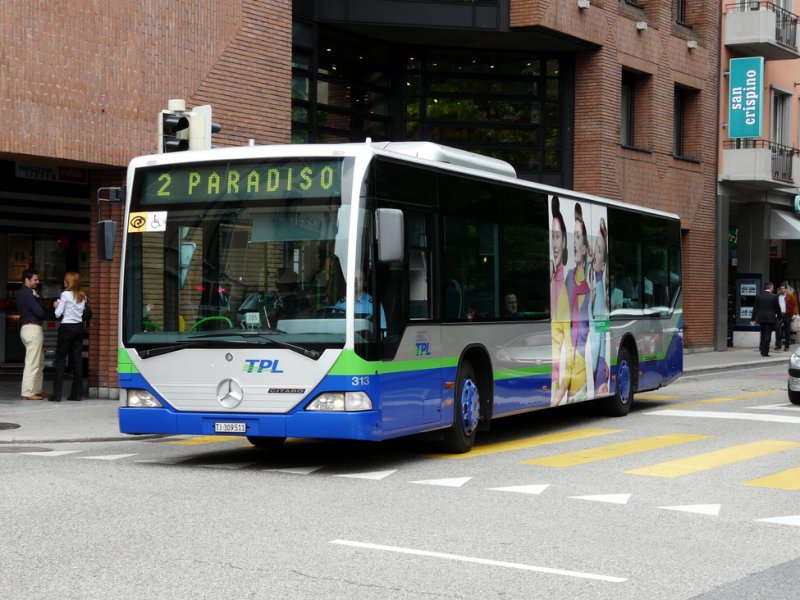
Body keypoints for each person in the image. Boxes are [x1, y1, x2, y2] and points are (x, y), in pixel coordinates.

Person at [50, 271, 87, 402]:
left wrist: (56, 305)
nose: (64, 282)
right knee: (77, 360)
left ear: (68, 282)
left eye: (65, 280)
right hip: (78, 328)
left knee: (60, 360)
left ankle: (57, 394)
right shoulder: (83, 296)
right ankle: (77, 394)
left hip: (66, 328)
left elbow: (57, 314)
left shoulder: (65, 294)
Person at [550, 196, 571, 406]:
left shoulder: (565, 287)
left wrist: (557, 398)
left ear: (564, 241)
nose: (555, 243)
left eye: (558, 237)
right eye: (552, 236)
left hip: (558, 384)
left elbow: (570, 351)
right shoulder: (549, 282)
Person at [17, 269, 48, 400]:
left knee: (39, 362)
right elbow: (41, 313)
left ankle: (36, 390)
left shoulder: (24, 293)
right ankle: (28, 392)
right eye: (35, 279)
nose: (37, 281)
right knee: (32, 363)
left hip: (28, 329)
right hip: (32, 330)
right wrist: (38, 298)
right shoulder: (27, 294)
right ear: (27, 280)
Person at [750, 282, 781, 357]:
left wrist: (753, 319)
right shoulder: (774, 296)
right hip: (770, 318)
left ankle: (762, 348)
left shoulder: (759, 296)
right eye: (773, 287)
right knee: (767, 334)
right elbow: (777, 308)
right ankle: (765, 352)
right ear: (770, 288)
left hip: (761, 318)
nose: (773, 288)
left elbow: (755, 308)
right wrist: (779, 317)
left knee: (762, 333)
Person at [774, 281, 798, 351]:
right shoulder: (777, 296)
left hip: (787, 315)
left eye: (783, 289)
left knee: (787, 331)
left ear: (786, 289)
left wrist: (795, 314)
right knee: (777, 329)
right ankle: (778, 345)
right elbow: (775, 306)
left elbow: (795, 305)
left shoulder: (790, 296)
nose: (782, 290)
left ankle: (786, 346)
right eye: (781, 289)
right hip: (779, 315)